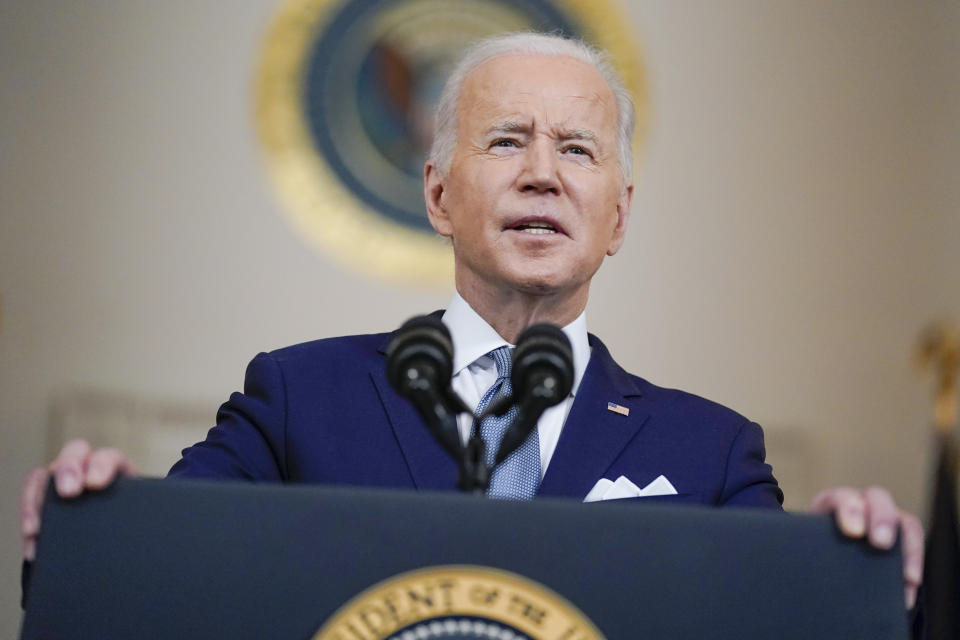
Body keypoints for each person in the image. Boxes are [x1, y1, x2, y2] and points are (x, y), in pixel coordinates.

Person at [20, 32, 924, 609]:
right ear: (439, 193)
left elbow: (782, 619)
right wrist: (93, 508)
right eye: (506, 141)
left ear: (618, 215)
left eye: (577, 150)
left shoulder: (713, 454)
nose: (543, 174)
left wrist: (853, 564)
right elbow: (158, 573)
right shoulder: (299, 397)